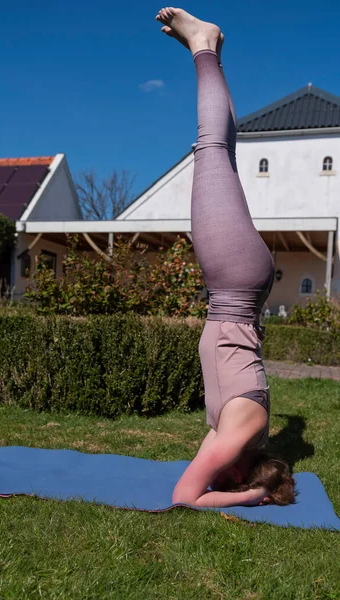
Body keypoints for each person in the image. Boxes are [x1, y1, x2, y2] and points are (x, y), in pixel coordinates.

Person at [155, 7, 296, 508]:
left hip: (240, 281)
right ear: (243, 472)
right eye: (228, 481)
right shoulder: (238, 434)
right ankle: (204, 46)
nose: (217, 475)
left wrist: (254, 481)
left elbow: (204, 472)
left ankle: (209, 53)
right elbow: (185, 497)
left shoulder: (237, 432)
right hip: (234, 280)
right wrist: (252, 497)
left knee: (221, 152)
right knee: (211, 146)